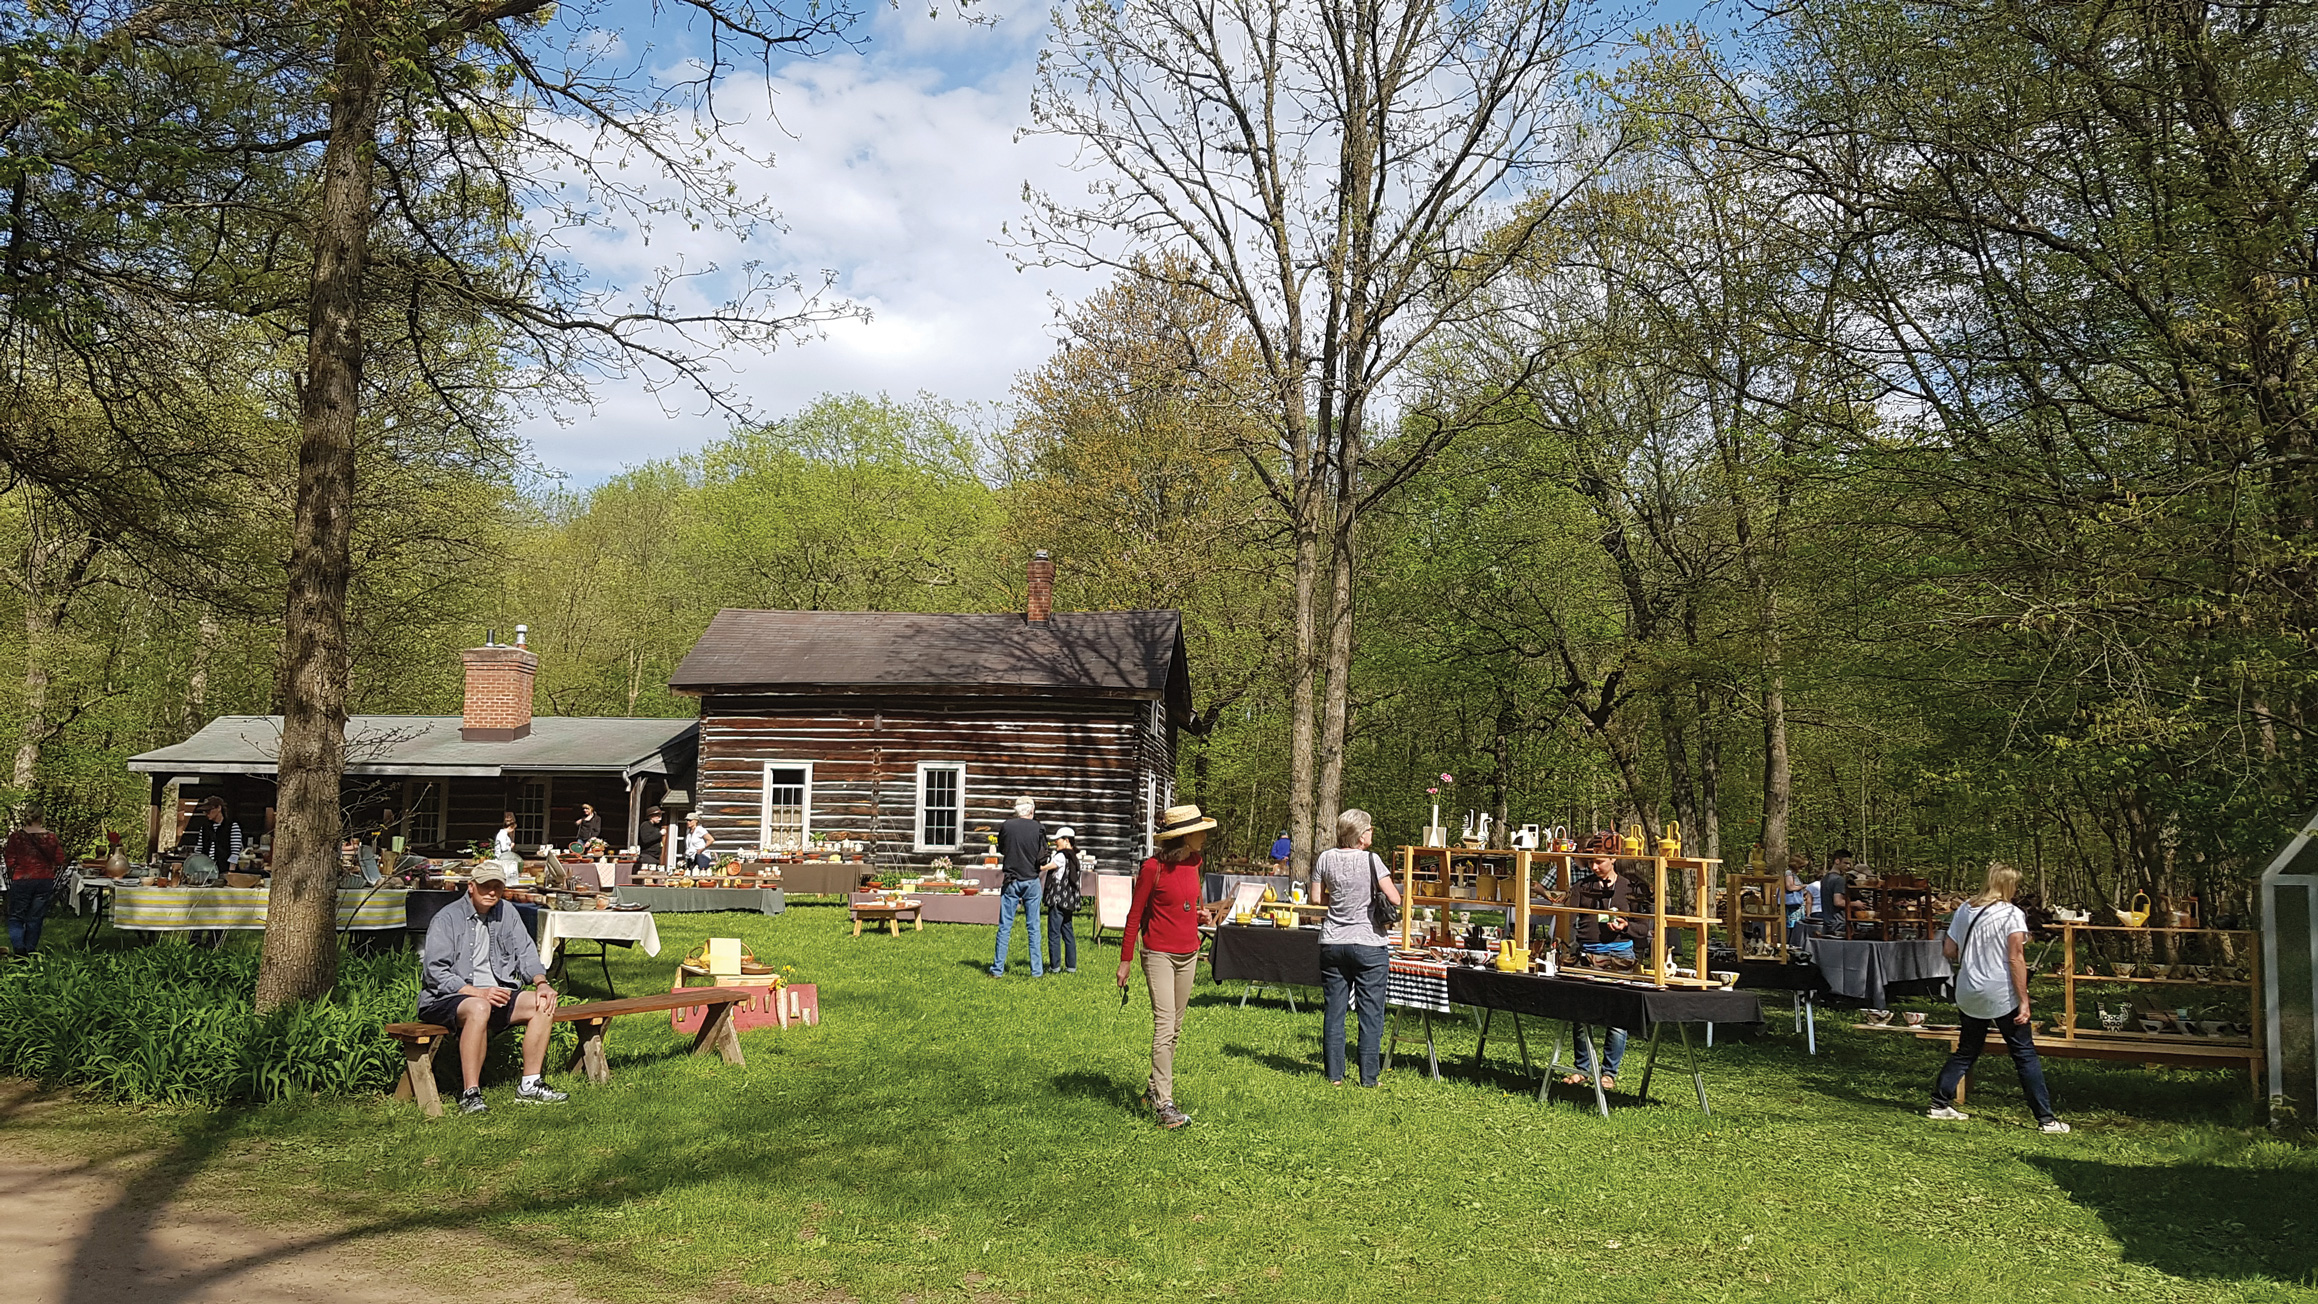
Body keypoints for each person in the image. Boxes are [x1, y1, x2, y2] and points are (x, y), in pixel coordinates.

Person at [417, 863, 568, 1114]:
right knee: (479, 1007)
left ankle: (530, 1085)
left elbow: (526, 953)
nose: (492, 892)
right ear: (471, 887)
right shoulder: (447, 918)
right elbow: (436, 972)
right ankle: (470, 1093)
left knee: (543, 1003)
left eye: (497, 886)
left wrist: (542, 983)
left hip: (496, 994)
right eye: (486, 886)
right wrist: (477, 992)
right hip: (448, 997)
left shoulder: (507, 912)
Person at [1930, 861, 2068, 1133]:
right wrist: (2024, 999)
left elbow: (1948, 950)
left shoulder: (1964, 910)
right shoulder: (2011, 914)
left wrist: (1975, 956)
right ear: (2007, 885)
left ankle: (1939, 1103)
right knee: (2024, 1053)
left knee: (1968, 1049)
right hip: (2000, 990)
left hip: (1969, 988)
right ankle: (2046, 1119)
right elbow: (2016, 957)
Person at [1118, 803, 1214, 1128]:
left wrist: (1199, 915)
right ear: (1185, 837)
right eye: (1200, 831)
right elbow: (1135, 916)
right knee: (1164, 1026)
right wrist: (1125, 960)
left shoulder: (1195, 862)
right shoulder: (1152, 868)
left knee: (1175, 1028)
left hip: (1189, 953)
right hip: (1158, 954)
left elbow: (1186, 902)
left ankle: (1152, 1089)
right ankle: (1165, 1106)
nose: (1204, 835)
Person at [1310, 808, 1400, 1087]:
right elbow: (1394, 898)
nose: (1372, 832)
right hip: (1369, 943)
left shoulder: (1325, 858)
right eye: (1370, 829)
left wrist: (1340, 903)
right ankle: (1368, 1077)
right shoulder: (1373, 861)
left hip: (1333, 941)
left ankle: (1334, 1076)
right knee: (1370, 1012)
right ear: (1361, 836)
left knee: (1334, 1011)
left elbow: (1315, 899)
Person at [1562, 832, 1653, 1089]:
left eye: (1599, 861)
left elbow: (1643, 929)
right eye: (1591, 862)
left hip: (1621, 955)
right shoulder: (1581, 887)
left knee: (1617, 1017)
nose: (1594, 867)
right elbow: (1569, 921)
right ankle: (1583, 1068)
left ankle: (1609, 1073)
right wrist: (1567, 950)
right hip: (1588, 954)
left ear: (1613, 858)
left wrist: (1624, 927)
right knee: (1581, 1014)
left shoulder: (1632, 888)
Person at [990, 797, 1047, 977]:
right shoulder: (1038, 828)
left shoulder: (1007, 826)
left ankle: (998, 969)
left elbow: (1002, 848)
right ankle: (1036, 970)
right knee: (1033, 927)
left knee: (1005, 927)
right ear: (1031, 810)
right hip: (1031, 880)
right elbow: (1043, 857)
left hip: (1011, 880)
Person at [4, 807, 63, 955]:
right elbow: (60, 859)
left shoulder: (16, 837)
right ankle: (30, 949)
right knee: (35, 916)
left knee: (16, 916)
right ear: (41, 817)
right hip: (44, 879)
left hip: (22, 878)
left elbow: (10, 859)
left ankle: (19, 949)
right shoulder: (51, 837)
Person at [1043, 825, 1091, 975]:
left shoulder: (1060, 856)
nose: (1056, 843)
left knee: (1054, 933)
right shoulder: (1074, 857)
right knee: (1068, 932)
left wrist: (1038, 865)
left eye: (1058, 840)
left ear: (1066, 840)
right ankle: (1071, 966)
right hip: (1069, 900)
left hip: (1058, 898)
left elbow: (1049, 867)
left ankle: (1055, 966)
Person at [184, 797, 245, 880]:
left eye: (208, 811)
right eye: (205, 811)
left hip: (225, 869)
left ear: (219, 808)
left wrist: (231, 872)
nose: (206, 813)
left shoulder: (232, 826)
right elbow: (199, 850)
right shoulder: (205, 827)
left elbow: (235, 853)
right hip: (205, 871)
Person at [1818, 850, 1853, 935]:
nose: (1848, 866)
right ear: (1837, 861)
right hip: (1838, 924)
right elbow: (1838, 902)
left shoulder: (1825, 878)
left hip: (1827, 923)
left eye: (1849, 864)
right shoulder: (1839, 880)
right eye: (1846, 863)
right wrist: (1855, 904)